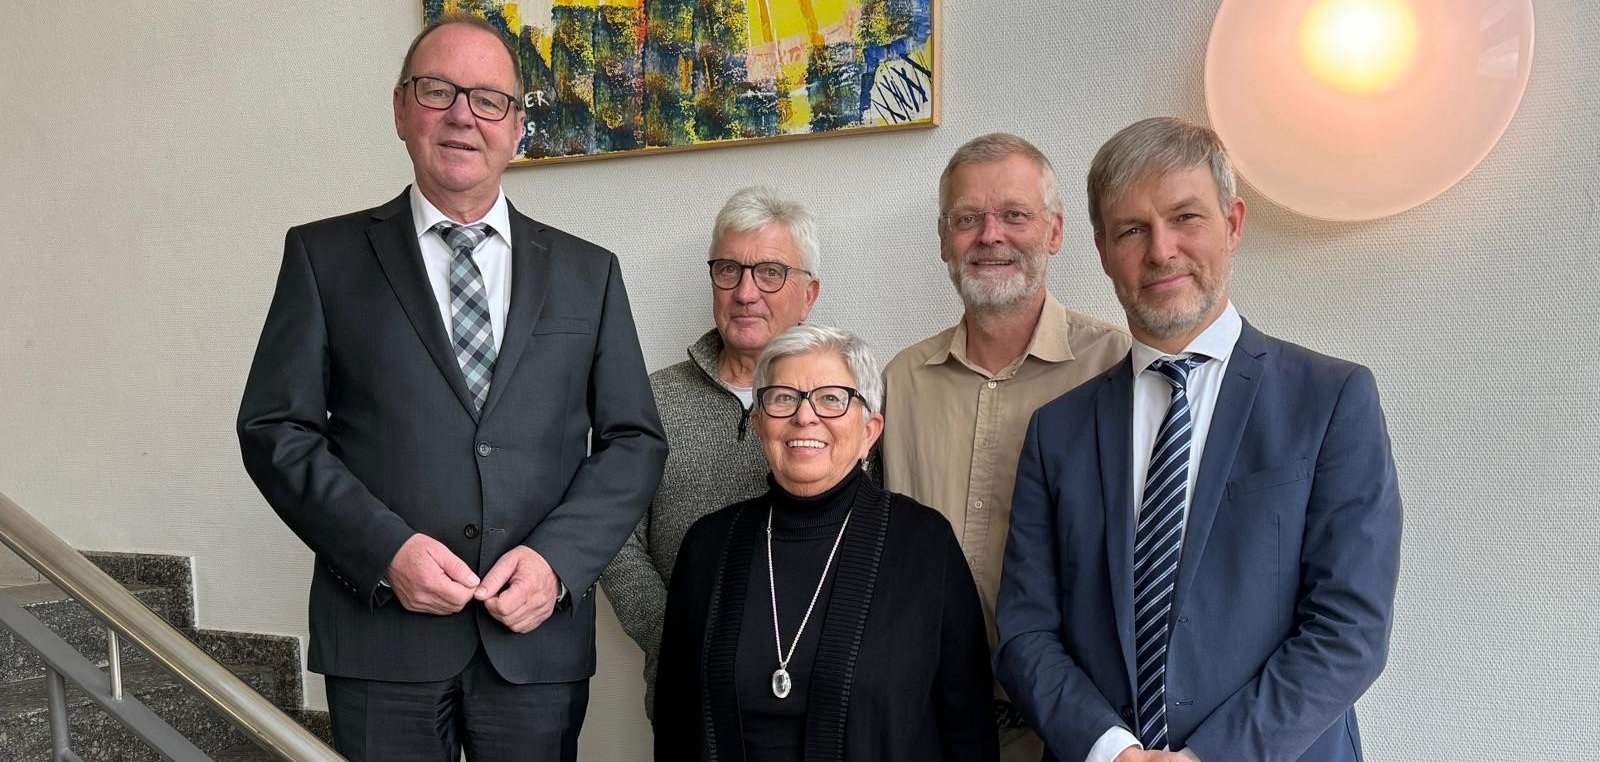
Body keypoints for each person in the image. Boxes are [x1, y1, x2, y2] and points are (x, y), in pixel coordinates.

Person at [236, 14, 666, 761]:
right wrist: (386, 550)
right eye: (439, 90)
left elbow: (634, 440)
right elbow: (276, 428)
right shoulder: (322, 257)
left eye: (489, 98)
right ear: (402, 108)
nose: (463, 114)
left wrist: (557, 564)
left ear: (518, 127)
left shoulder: (588, 273)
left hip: (533, 642)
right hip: (380, 640)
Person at [995, 116, 1402, 762]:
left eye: (1186, 218)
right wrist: (1113, 751)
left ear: (1234, 224)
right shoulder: (1058, 431)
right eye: (1132, 230)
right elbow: (1025, 631)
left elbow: (1349, 629)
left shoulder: (1331, 402)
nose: (1161, 251)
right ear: (1102, 251)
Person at [880, 132, 1130, 760]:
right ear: (944, 239)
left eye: (1015, 215)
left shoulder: (1118, 369)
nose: (990, 236)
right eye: (968, 219)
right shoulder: (900, 381)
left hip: (1073, 727)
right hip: (929, 723)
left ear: (1055, 231)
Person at [655, 325, 998, 761]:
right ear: (759, 422)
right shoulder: (708, 546)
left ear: (871, 430)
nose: (805, 416)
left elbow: (968, 726)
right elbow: (674, 723)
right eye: (783, 398)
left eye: (832, 398)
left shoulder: (924, 545)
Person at [601, 186, 821, 712]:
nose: (746, 292)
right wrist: (679, 639)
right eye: (729, 270)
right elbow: (614, 540)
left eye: (770, 272)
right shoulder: (650, 400)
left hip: (817, 691)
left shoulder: (838, 407)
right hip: (689, 691)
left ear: (809, 295)